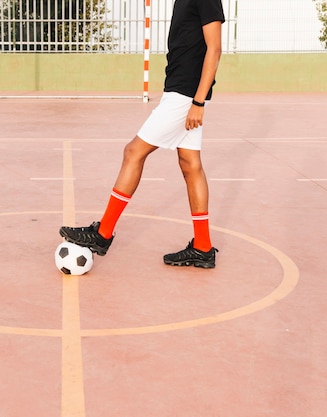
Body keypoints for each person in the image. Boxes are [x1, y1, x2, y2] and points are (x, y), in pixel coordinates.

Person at [59, 0, 225, 269]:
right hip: (181, 91)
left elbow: (214, 48)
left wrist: (198, 101)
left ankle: (103, 234)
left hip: (185, 95)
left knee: (133, 151)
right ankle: (203, 248)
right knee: (190, 165)